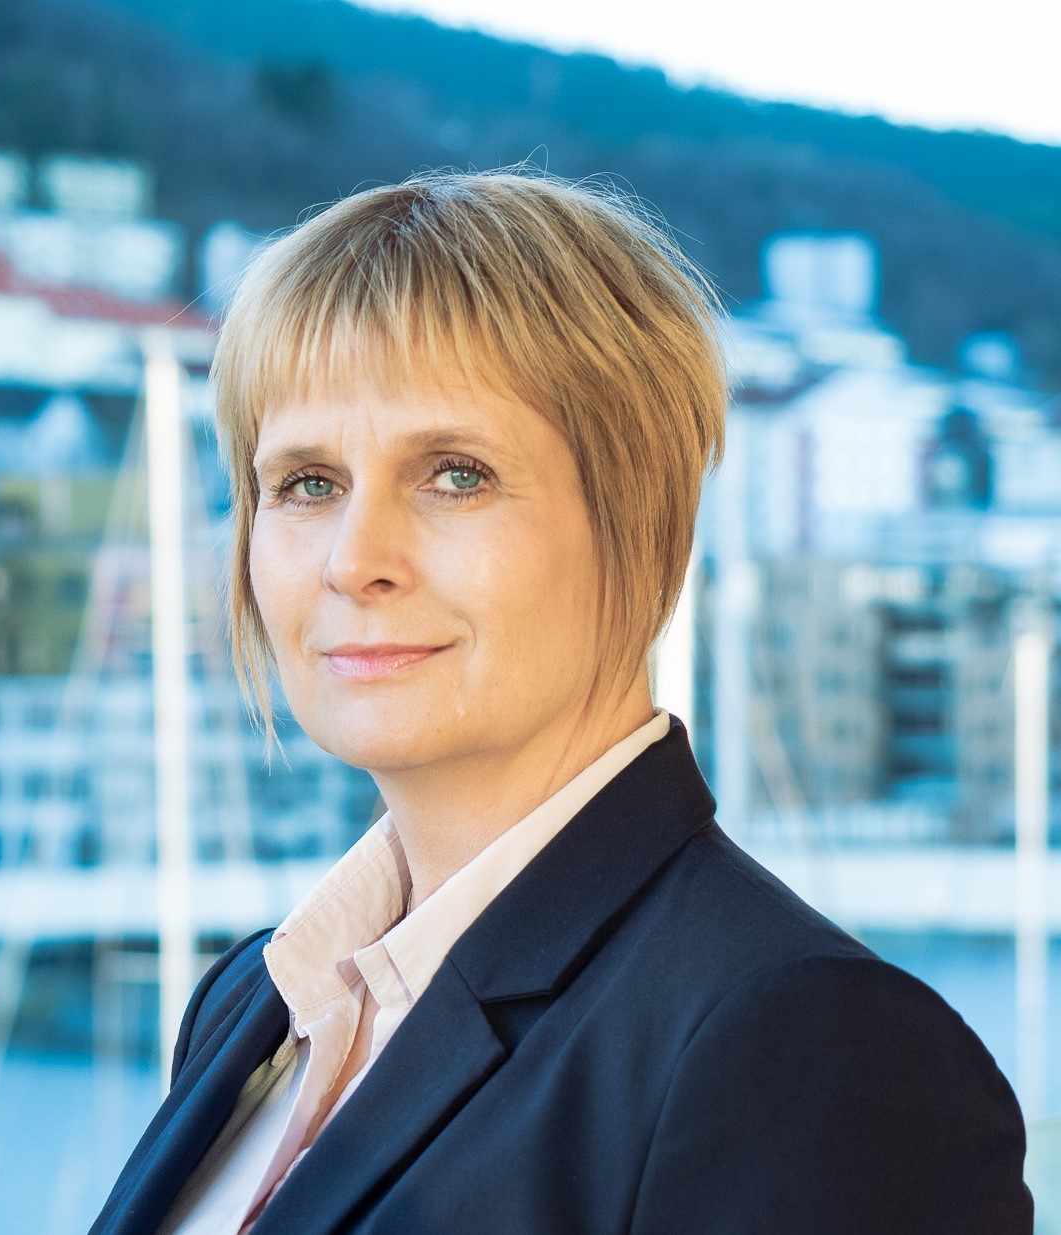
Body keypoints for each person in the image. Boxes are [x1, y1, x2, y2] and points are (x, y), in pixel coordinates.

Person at [91, 171, 1032, 1234]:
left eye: (455, 473)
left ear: (638, 520)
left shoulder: (808, 1049)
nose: (354, 560)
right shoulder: (249, 1004)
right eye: (308, 482)